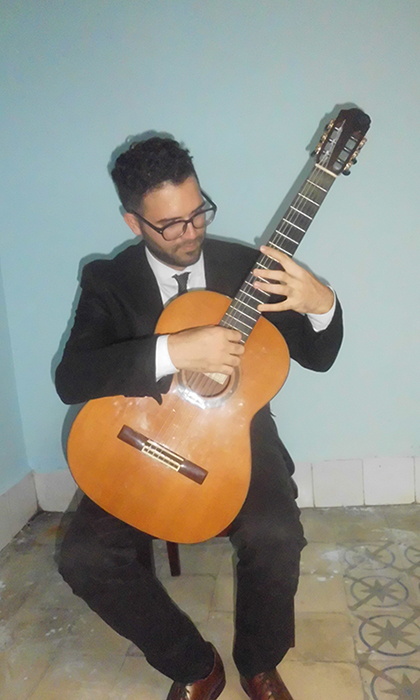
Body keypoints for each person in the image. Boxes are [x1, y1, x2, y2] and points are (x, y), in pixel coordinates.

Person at [55, 136, 343, 700]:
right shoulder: (108, 282)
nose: (191, 233)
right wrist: (172, 353)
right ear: (134, 222)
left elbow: (319, 357)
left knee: (276, 534)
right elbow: (72, 378)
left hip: (237, 437)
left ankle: (259, 664)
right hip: (138, 438)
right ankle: (195, 664)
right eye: (170, 225)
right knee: (83, 556)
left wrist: (321, 304)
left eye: (198, 213)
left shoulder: (248, 269)